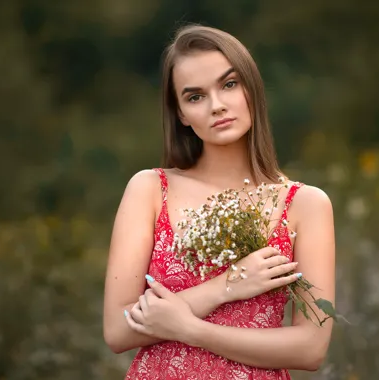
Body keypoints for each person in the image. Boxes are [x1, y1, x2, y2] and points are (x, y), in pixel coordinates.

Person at [103, 24, 335, 379]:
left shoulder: (306, 204)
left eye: (229, 84)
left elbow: (310, 348)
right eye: (195, 96)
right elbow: (118, 331)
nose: (217, 106)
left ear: (251, 88)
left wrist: (192, 330)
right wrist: (225, 286)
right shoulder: (150, 189)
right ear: (180, 113)